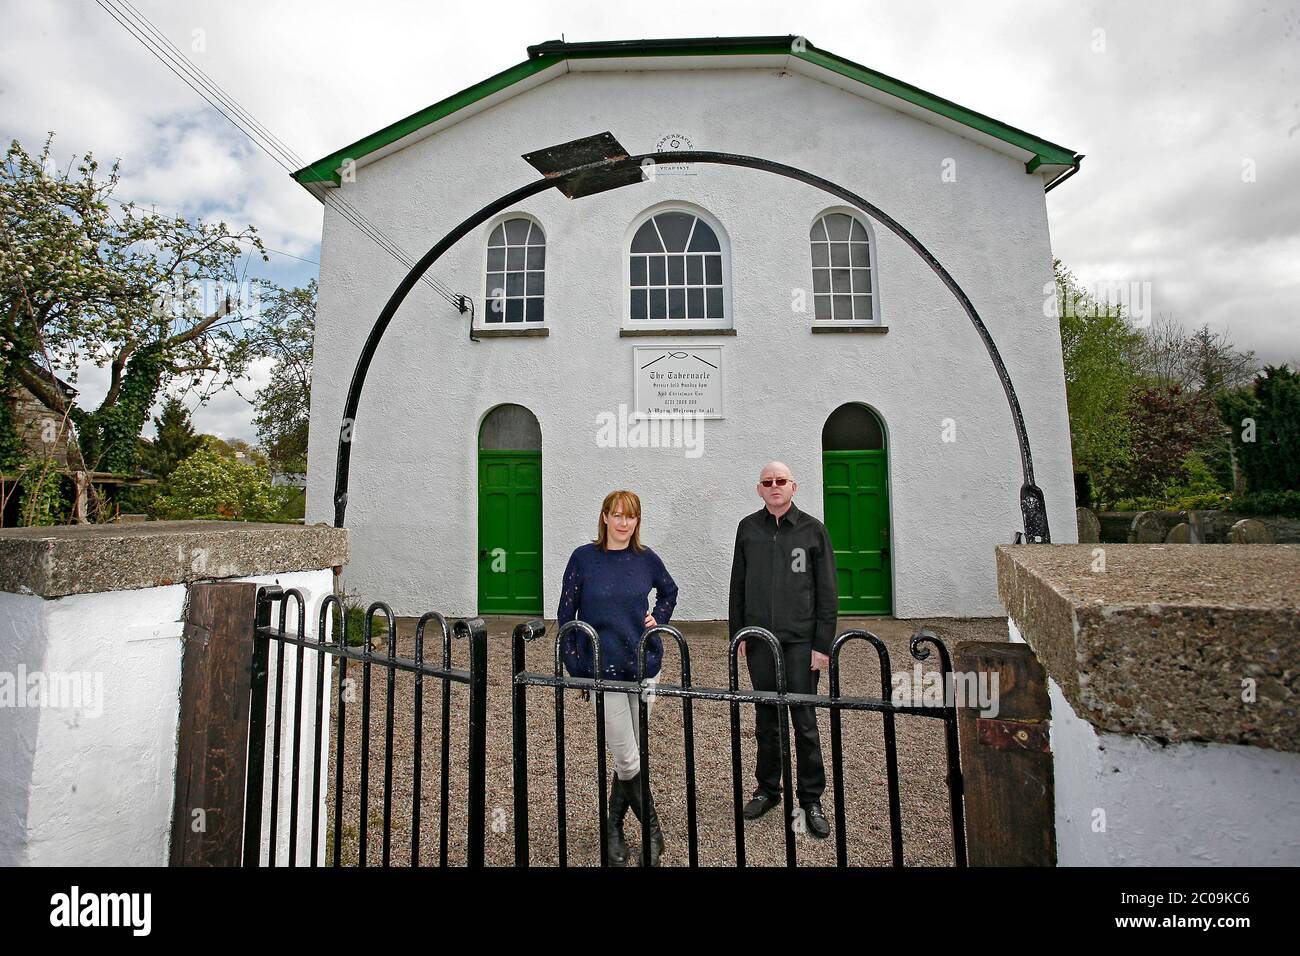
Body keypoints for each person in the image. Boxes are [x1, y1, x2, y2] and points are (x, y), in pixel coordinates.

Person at [558, 489, 679, 866]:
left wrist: (658, 617)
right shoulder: (584, 559)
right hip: (602, 672)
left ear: (637, 521)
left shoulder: (646, 560)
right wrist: (577, 667)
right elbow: (566, 616)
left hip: (643, 667)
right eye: (617, 515)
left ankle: (612, 828)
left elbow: (669, 591)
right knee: (628, 759)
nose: (624, 523)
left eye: (631, 516)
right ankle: (653, 831)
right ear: (605, 518)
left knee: (628, 755)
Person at [728, 460, 838, 839]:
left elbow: (827, 593)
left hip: (800, 643)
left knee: (804, 719)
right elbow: (737, 587)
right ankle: (768, 788)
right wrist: (738, 634)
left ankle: (811, 798)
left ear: (794, 487)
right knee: (766, 718)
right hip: (760, 640)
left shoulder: (813, 531)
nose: (774, 486)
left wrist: (822, 645)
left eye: (781, 481)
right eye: (767, 482)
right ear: (759, 489)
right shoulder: (748, 529)